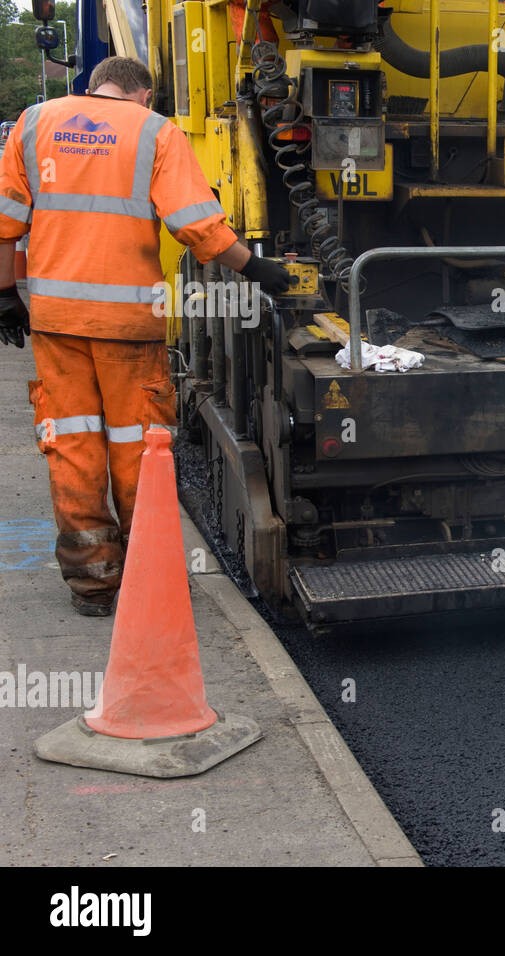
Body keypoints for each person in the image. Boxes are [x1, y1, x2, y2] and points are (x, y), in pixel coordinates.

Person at [0, 56, 291, 616]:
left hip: (56, 322)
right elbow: (196, 226)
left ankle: (92, 585)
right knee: (140, 450)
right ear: (146, 94)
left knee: (73, 443)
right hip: (129, 326)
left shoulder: (34, 122)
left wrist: (4, 297)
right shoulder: (157, 131)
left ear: (93, 88)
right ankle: (146, 580)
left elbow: (6, 219)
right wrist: (257, 269)